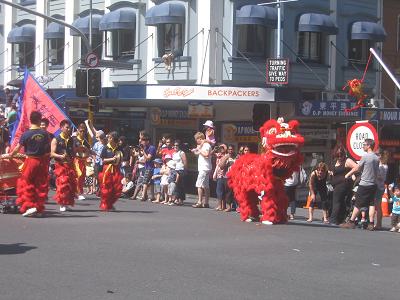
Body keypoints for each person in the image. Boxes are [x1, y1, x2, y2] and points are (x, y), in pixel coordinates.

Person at [1, 111, 51, 217]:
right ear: (39, 120)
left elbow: (16, 149)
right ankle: (38, 207)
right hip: (42, 162)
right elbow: (48, 152)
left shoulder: (26, 134)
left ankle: (30, 206)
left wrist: (10, 155)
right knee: (39, 185)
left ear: (30, 120)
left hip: (30, 161)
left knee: (27, 183)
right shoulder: (45, 134)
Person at [341, 138, 379, 231]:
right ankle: (371, 223)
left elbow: (357, 168)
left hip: (364, 183)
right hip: (373, 184)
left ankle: (351, 222)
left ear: (369, 146)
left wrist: (347, 174)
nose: (363, 146)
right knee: (371, 204)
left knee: (358, 203)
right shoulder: (376, 157)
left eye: (364, 144)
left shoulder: (365, 157)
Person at [51, 119, 77, 212]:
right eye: (67, 127)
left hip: (70, 165)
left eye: (69, 127)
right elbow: (52, 153)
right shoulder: (56, 139)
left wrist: (75, 155)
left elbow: (73, 151)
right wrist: (60, 156)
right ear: (61, 128)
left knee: (70, 185)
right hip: (60, 165)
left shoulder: (71, 139)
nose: (69, 129)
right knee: (62, 184)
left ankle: (67, 202)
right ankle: (62, 203)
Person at [329, 145, 357, 225]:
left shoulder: (347, 161)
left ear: (344, 154)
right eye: (337, 155)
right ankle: (340, 219)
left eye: (341, 155)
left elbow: (357, 167)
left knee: (336, 201)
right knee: (339, 201)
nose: (339, 157)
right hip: (335, 184)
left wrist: (349, 174)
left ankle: (333, 220)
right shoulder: (335, 161)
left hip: (343, 184)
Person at [99, 131, 123, 211]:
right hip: (107, 169)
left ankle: (110, 203)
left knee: (115, 188)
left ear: (113, 138)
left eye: (109, 137)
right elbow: (103, 160)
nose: (108, 139)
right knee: (106, 188)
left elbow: (121, 158)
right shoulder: (106, 147)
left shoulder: (119, 148)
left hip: (116, 169)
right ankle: (105, 204)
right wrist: (112, 159)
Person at [191, 132, 212, 208]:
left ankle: (199, 201)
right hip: (204, 167)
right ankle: (206, 202)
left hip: (204, 168)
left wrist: (199, 151)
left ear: (200, 138)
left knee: (199, 184)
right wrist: (195, 150)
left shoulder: (206, 145)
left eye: (197, 139)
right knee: (205, 186)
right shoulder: (202, 145)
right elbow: (198, 153)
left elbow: (206, 155)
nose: (196, 141)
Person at [72, 123, 91, 201]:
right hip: (76, 160)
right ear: (78, 131)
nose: (82, 133)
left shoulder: (85, 141)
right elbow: (72, 150)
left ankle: (79, 192)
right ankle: (77, 193)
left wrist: (90, 154)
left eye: (84, 131)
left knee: (82, 177)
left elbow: (88, 150)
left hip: (83, 161)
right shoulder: (74, 140)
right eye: (81, 131)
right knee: (78, 175)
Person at [374, 149, 388, 229]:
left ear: (380, 155)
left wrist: (375, 173)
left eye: (376, 154)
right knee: (376, 206)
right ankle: (378, 223)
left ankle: (379, 224)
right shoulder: (380, 164)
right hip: (378, 186)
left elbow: (381, 177)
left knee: (378, 206)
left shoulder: (383, 166)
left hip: (379, 187)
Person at [139, 133, 156, 201]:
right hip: (147, 166)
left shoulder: (151, 148)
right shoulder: (145, 148)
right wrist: (141, 150)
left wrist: (143, 151)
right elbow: (143, 157)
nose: (142, 142)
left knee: (145, 181)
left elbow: (148, 158)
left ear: (147, 141)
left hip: (150, 167)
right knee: (151, 182)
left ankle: (143, 196)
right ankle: (152, 196)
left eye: (144, 141)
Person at [219, 144, 237, 212]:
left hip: (234, 177)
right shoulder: (226, 157)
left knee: (233, 192)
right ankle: (227, 206)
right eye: (229, 149)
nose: (230, 151)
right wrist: (225, 160)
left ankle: (233, 206)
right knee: (227, 192)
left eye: (231, 149)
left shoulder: (236, 157)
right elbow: (221, 166)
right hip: (226, 176)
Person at [172, 140, 187, 205]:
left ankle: (181, 199)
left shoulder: (182, 153)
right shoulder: (174, 153)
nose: (175, 146)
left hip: (181, 170)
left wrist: (185, 170)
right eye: (174, 145)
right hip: (175, 170)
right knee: (176, 185)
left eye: (177, 145)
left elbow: (185, 162)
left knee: (180, 185)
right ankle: (177, 199)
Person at [91, 130, 106, 195]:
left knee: (102, 176)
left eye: (103, 137)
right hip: (97, 162)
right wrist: (94, 160)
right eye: (101, 137)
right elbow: (93, 152)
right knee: (96, 175)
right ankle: (94, 188)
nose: (102, 139)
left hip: (103, 162)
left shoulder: (106, 144)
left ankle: (100, 189)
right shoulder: (96, 144)